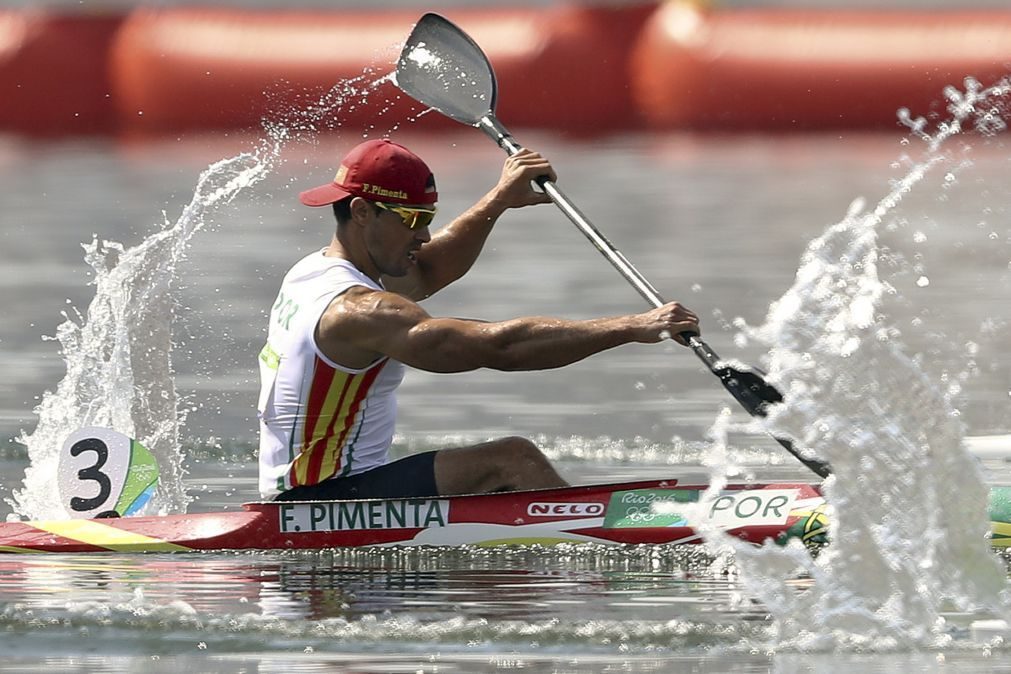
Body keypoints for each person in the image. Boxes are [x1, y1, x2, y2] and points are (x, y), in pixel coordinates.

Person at [257, 138, 700, 501]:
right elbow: (499, 348)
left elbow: (429, 268)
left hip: (316, 491)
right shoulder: (359, 311)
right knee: (512, 461)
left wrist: (501, 198)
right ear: (362, 212)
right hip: (320, 501)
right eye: (413, 219)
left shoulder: (312, 272)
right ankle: (598, 538)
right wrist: (632, 327)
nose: (423, 235)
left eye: (428, 218)